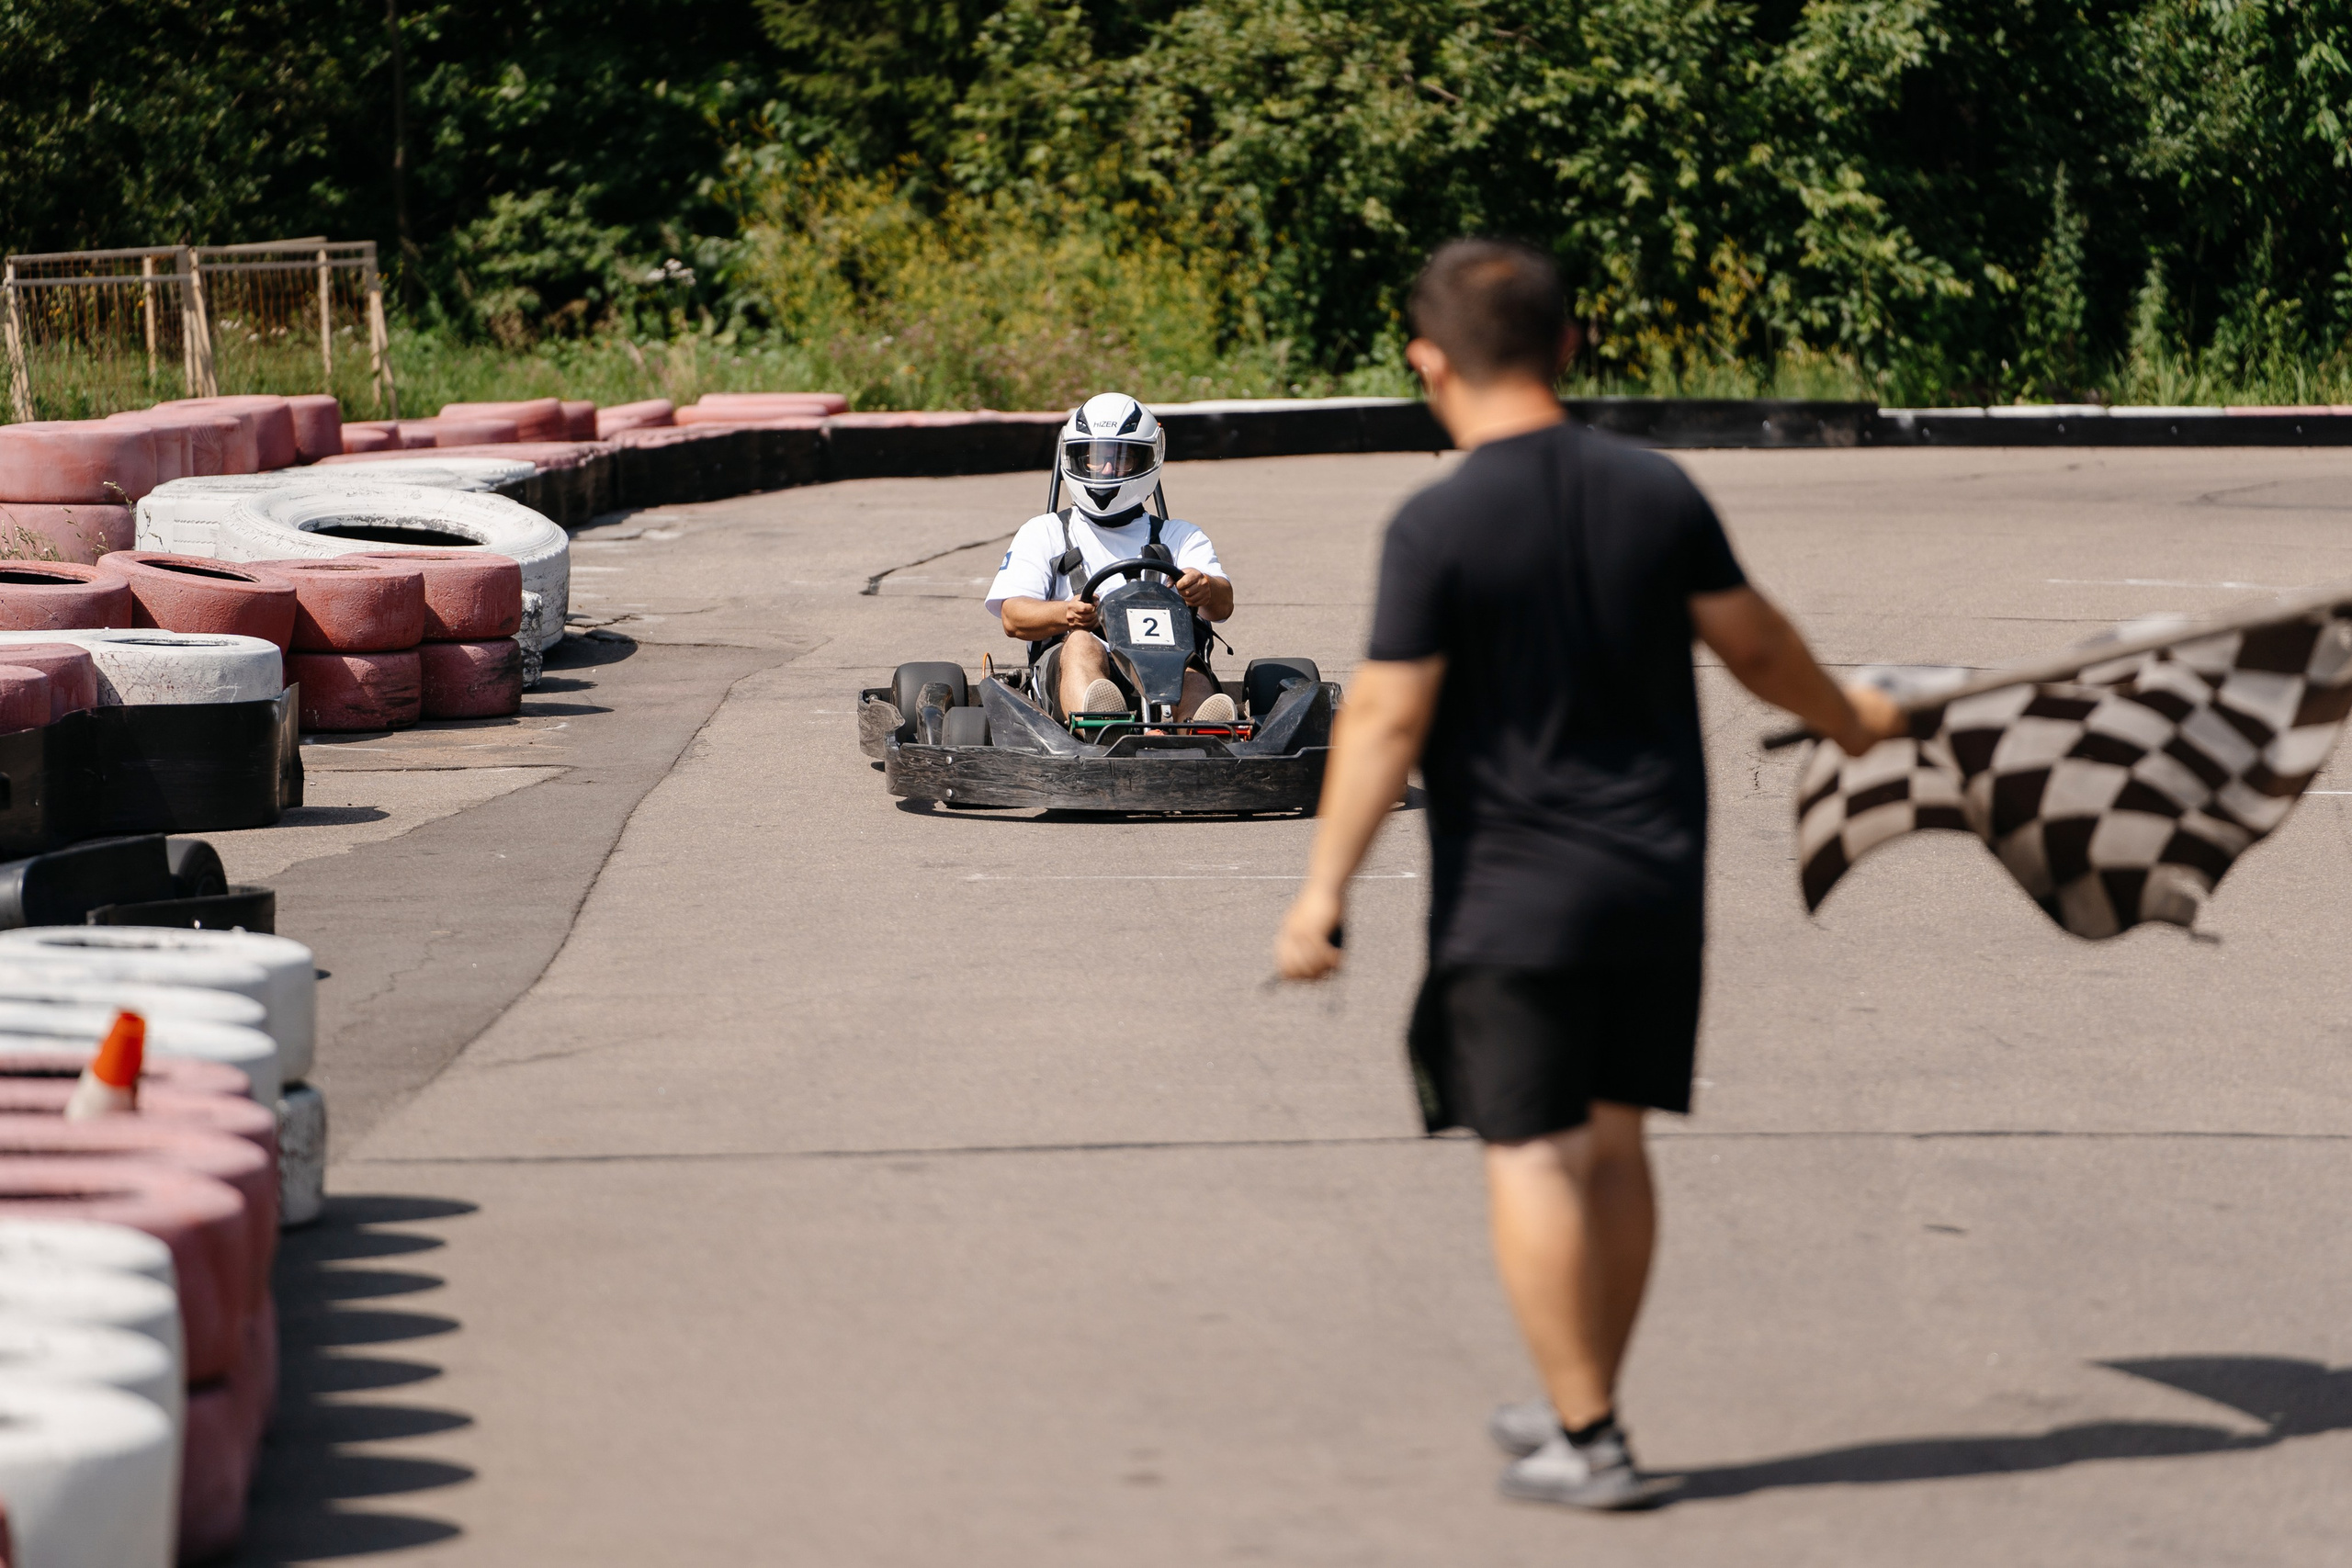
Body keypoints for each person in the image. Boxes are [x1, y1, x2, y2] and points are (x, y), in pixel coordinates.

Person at [1272, 239, 1904, 1509]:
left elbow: (1387, 718)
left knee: (1530, 1149)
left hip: (1514, 892)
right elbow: (1760, 646)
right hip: (1655, 882)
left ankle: (1590, 1430)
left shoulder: (1439, 520)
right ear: (1570, 346)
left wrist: (1321, 892)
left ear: (1426, 361)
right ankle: (1583, 1394)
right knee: (1614, 1144)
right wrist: (1851, 719)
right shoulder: (1654, 491)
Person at [985, 392, 1237, 722]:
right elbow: (1013, 617)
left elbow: (1222, 606)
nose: (1105, 469)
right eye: (1093, 458)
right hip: (1071, 666)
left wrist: (1203, 587)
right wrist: (1066, 613)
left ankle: (1204, 732)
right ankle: (1100, 726)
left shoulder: (1180, 535)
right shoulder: (1044, 531)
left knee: (1186, 669)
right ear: (1074, 458)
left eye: (1120, 459)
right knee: (1081, 643)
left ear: (1145, 460)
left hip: (1166, 666)